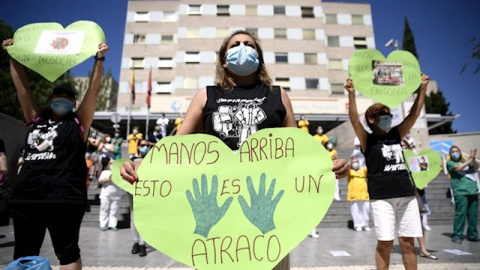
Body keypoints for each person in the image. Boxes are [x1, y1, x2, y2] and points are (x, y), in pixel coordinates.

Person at [119, 30, 349, 270]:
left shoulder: (278, 95)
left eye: (249, 44)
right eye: (235, 44)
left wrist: (326, 165)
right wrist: (141, 165)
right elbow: (175, 148)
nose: (242, 48)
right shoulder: (205, 96)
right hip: (217, 212)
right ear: (223, 59)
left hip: (267, 211)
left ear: (259, 57)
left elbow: (297, 151)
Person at [3, 38, 108, 270]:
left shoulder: (78, 122)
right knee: (24, 255)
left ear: (73, 103)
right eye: (58, 96)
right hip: (27, 196)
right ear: (50, 100)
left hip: (64, 197)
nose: (63, 100)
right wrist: (13, 56)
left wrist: (99, 59)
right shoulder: (35, 118)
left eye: (69, 98)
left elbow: (93, 90)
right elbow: (22, 88)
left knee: (67, 252)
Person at [345, 73, 429, 270]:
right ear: (372, 119)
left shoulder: (397, 134)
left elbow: (414, 114)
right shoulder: (367, 139)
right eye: (384, 116)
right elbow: (355, 121)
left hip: (406, 195)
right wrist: (351, 93)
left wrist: (422, 88)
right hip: (381, 197)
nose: (388, 119)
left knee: (408, 243)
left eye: (389, 116)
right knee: (385, 243)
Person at [401, 139, 436, 260]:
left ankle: (423, 248)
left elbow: (424, 174)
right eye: (400, 146)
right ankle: (408, 249)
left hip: (416, 192)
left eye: (404, 145)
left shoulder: (415, 159)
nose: (403, 147)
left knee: (419, 221)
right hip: (401, 193)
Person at [446, 146, 479, 244]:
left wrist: (473, 159)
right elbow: (459, 168)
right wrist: (470, 159)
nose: (455, 153)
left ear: (460, 152)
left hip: (472, 190)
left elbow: (476, 167)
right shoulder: (450, 163)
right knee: (460, 214)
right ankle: (457, 235)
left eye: (456, 151)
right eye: (453, 152)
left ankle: (472, 235)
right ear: (450, 154)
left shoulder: (467, 160)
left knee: (473, 215)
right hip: (460, 192)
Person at [345, 157, 370, 232]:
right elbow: (346, 169)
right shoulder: (350, 172)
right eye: (354, 162)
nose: (356, 163)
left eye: (357, 162)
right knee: (355, 211)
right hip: (354, 195)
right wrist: (350, 160)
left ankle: (365, 224)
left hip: (364, 194)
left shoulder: (363, 171)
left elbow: (368, 166)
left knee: (366, 210)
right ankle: (358, 225)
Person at [98, 161, 124, 231]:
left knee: (114, 210)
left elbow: (123, 182)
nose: (112, 165)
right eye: (111, 164)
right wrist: (108, 179)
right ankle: (103, 225)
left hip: (117, 195)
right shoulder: (105, 172)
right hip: (106, 194)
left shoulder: (120, 173)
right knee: (104, 209)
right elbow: (100, 180)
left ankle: (113, 225)